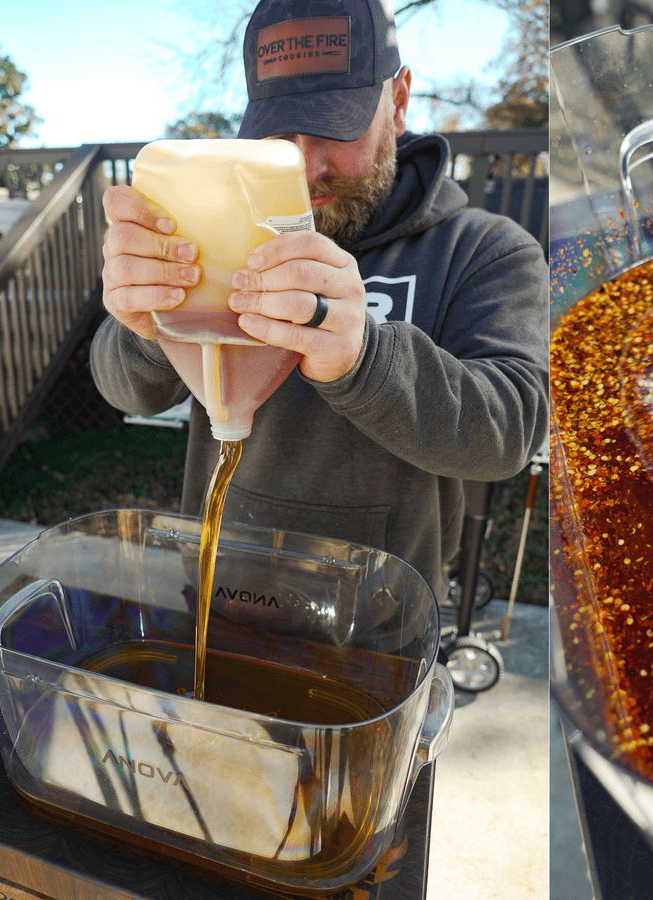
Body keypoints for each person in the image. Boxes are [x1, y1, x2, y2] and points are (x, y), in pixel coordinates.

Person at [90, 0, 549, 601]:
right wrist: (147, 324)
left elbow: (510, 431)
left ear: (400, 98)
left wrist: (362, 357)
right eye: (279, 132)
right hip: (217, 599)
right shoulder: (219, 226)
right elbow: (127, 392)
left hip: (382, 626)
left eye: (335, 123)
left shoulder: (483, 250)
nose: (306, 165)